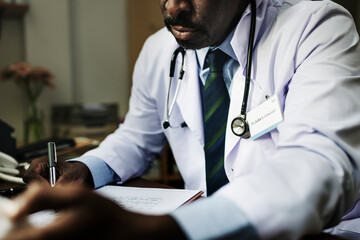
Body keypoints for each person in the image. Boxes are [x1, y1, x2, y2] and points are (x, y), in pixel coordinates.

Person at [5, 0, 360, 239]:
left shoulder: (316, 27)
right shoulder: (160, 49)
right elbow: (136, 136)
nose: (174, 8)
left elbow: (320, 163)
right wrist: (87, 168)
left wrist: (162, 229)